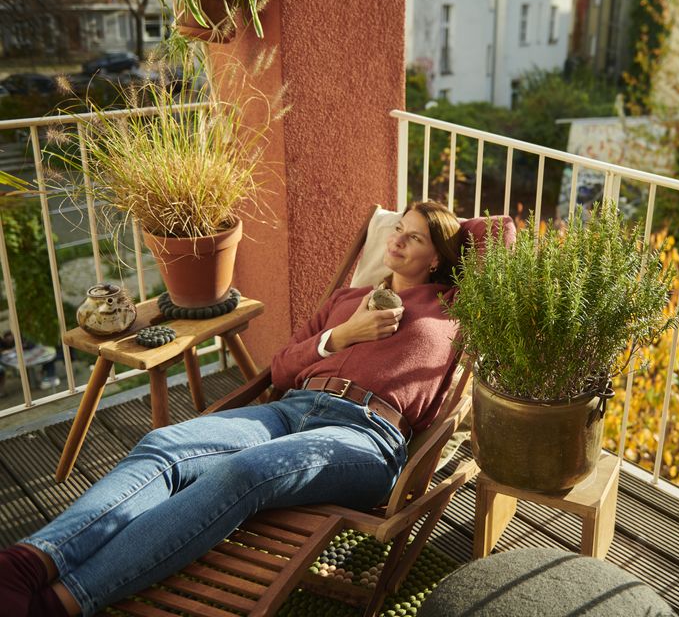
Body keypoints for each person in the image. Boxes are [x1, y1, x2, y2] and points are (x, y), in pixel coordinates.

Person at [0, 201, 464, 617]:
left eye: (414, 236)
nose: (396, 238)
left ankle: (61, 602)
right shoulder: (344, 301)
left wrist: (462, 226)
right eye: (396, 227)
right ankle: (28, 563)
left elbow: (502, 236)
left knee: (241, 473)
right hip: (291, 409)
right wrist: (340, 336)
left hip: (364, 435)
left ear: (438, 257)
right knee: (163, 444)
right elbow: (281, 369)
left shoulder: (452, 310)